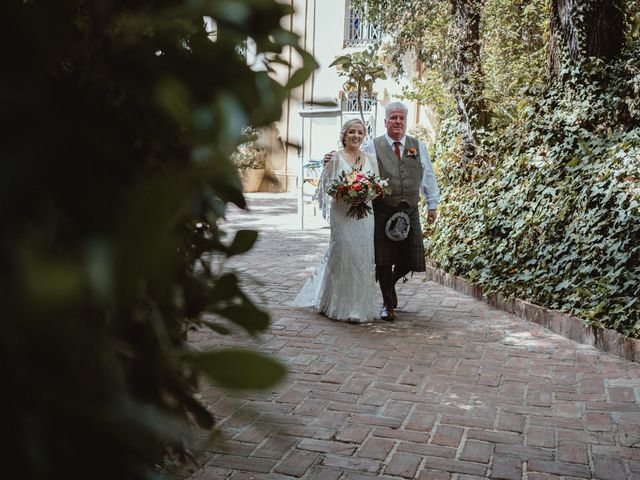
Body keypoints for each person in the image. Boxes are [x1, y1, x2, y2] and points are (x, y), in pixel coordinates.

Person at [325, 102, 439, 322]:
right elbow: (352, 155)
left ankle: (392, 284)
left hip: (410, 209)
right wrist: (331, 158)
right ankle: (388, 303)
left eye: (401, 118)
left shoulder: (418, 146)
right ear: (386, 121)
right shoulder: (372, 146)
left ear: (406, 122)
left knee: (412, 259)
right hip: (383, 209)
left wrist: (432, 204)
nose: (398, 122)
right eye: (393, 118)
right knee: (384, 260)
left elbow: (428, 175)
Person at [292, 119, 380, 323]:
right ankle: (336, 303)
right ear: (344, 135)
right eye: (351, 132)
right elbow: (325, 189)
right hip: (341, 215)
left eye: (360, 132)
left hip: (365, 215)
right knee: (343, 255)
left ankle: (359, 306)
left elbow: (377, 188)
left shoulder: (370, 159)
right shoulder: (334, 158)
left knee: (362, 257)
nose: (356, 136)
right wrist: (346, 194)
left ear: (364, 136)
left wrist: (363, 195)